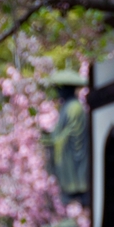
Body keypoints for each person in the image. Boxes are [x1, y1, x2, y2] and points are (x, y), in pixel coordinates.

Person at [46, 69, 89, 205]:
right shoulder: (66, 107)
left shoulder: (74, 107)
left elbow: (74, 133)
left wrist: (55, 140)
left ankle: (76, 187)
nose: (59, 92)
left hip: (73, 156)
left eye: (61, 89)